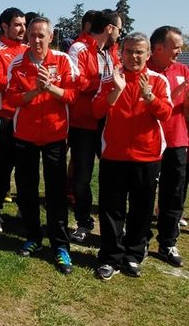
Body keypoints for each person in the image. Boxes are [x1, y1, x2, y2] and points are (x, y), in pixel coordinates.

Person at [93, 32, 172, 280]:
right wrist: (116, 90)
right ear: (121, 53)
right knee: (111, 210)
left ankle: (133, 256)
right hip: (114, 156)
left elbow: (166, 113)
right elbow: (96, 111)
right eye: (129, 51)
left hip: (147, 158)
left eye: (139, 51)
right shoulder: (110, 79)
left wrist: (149, 96)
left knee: (141, 210)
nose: (134, 56)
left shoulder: (158, 81)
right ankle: (110, 257)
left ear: (148, 54)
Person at [6, 17, 78, 274]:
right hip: (24, 136)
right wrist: (36, 91)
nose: (36, 40)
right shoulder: (18, 63)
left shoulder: (63, 60)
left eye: (42, 36)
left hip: (55, 136)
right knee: (26, 189)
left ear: (51, 36)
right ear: (27, 37)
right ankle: (33, 236)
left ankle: (60, 245)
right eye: (32, 35)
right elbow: (12, 98)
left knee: (56, 192)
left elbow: (73, 95)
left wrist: (50, 88)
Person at [67, 9, 121, 243]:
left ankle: (113, 224)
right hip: (83, 124)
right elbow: (75, 81)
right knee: (82, 178)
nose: (120, 34)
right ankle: (83, 221)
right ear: (109, 28)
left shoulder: (111, 52)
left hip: (109, 123)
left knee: (113, 177)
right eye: (119, 28)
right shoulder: (79, 48)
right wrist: (106, 81)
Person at [0, 7, 27, 232]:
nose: (22, 29)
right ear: (5, 26)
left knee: (25, 167)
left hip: (26, 117)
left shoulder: (28, 50)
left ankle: (24, 208)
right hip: (3, 118)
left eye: (23, 24)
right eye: (18, 24)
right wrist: (23, 80)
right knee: (1, 166)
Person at [147, 26, 187, 267]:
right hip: (150, 143)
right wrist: (173, 93)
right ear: (159, 48)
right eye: (176, 46)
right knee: (144, 193)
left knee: (174, 195)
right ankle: (140, 240)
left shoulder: (183, 70)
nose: (180, 51)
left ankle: (168, 242)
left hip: (178, 140)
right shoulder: (144, 70)